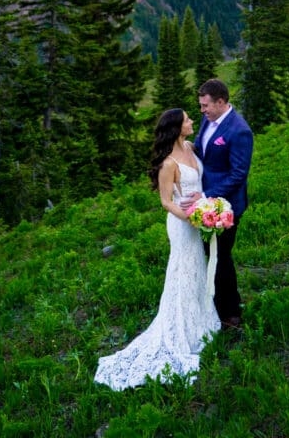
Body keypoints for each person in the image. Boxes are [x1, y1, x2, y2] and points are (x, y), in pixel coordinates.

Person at [94, 108, 220, 390]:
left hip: (196, 216)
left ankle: (199, 320)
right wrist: (189, 216)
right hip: (181, 222)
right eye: (187, 119)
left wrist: (205, 207)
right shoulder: (168, 163)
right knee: (182, 271)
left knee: (196, 268)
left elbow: (199, 181)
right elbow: (166, 201)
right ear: (176, 127)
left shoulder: (189, 146)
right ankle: (178, 328)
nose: (191, 122)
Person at [194, 78, 253, 328]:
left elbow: (239, 174)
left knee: (221, 257)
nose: (202, 110)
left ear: (221, 102)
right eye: (200, 105)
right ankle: (217, 304)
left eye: (206, 105)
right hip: (204, 201)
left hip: (225, 206)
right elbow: (200, 149)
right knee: (212, 255)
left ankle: (230, 313)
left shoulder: (239, 130)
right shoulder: (206, 121)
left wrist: (209, 195)